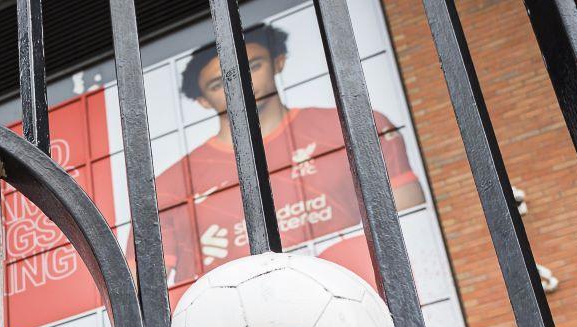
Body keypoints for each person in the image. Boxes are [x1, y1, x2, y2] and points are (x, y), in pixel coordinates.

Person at [155, 24, 426, 286]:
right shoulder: (169, 187)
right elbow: (137, 295)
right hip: (234, 325)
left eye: (253, 66)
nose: (238, 84)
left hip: (354, 303)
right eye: (217, 84)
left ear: (279, 62)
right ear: (202, 101)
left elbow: (413, 232)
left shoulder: (355, 128)